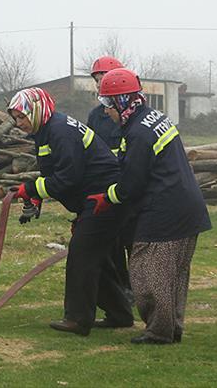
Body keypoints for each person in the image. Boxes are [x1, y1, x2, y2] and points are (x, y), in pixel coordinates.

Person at [87, 68, 212, 345]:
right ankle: (171, 328)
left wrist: (106, 197)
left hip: (166, 213)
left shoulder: (139, 133)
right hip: (186, 209)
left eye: (108, 104)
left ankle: (158, 332)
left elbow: (132, 184)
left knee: (147, 276)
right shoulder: (152, 119)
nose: (105, 111)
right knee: (174, 278)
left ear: (122, 101)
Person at [7, 87, 133, 336]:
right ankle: (120, 314)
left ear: (37, 110)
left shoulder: (59, 131)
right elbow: (54, 173)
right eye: (15, 118)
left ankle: (77, 319)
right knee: (96, 258)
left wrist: (31, 188)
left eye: (22, 116)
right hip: (93, 199)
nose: (18, 123)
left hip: (102, 199)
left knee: (81, 257)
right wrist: (36, 197)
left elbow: (68, 178)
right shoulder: (47, 130)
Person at [85, 56, 133, 302]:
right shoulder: (95, 116)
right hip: (105, 184)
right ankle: (122, 285)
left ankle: (138, 284)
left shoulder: (131, 115)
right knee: (112, 241)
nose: (98, 84)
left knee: (131, 237)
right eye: (96, 79)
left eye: (101, 77)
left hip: (128, 182)